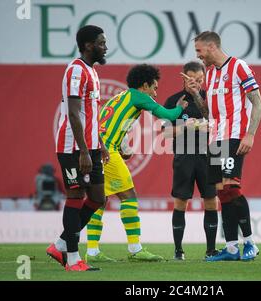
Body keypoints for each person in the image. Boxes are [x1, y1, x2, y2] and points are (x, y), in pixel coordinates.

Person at [85, 64, 188, 263]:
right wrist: (180, 108)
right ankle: (135, 248)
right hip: (107, 152)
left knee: (100, 200)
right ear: (144, 86)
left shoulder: (118, 98)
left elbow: (106, 124)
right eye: (154, 88)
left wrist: (122, 146)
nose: (156, 93)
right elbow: (167, 116)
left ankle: (92, 251)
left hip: (97, 149)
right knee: (129, 196)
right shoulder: (139, 96)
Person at [188, 31, 261, 262]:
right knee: (222, 193)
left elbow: (258, 103)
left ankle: (250, 242)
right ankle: (231, 248)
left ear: (211, 47)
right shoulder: (210, 75)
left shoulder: (239, 66)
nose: (198, 56)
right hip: (216, 138)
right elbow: (208, 113)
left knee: (232, 188)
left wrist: (250, 135)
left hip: (235, 136)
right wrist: (195, 94)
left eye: (199, 51)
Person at [46, 25, 110, 272]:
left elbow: (90, 115)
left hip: (91, 146)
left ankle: (61, 243)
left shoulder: (91, 71)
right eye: (101, 43)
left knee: (97, 197)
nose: (105, 47)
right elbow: (73, 114)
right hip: (73, 147)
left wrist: (100, 145)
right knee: (75, 196)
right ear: (88, 45)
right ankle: (72, 259)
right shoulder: (75, 71)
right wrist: (83, 150)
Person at [163, 61, 219, 260]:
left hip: (210, 154)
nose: (197, 83)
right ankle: (178, 251)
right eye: (192, 79)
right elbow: (167, 134)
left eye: (200, 80)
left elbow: (221, 125)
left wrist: (209, 126)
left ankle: (211, 251)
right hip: (184, 156)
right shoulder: (173, 101)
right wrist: (188, 126)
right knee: (181, 202)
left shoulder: (211, 99)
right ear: (183, 78)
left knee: (212, 201)